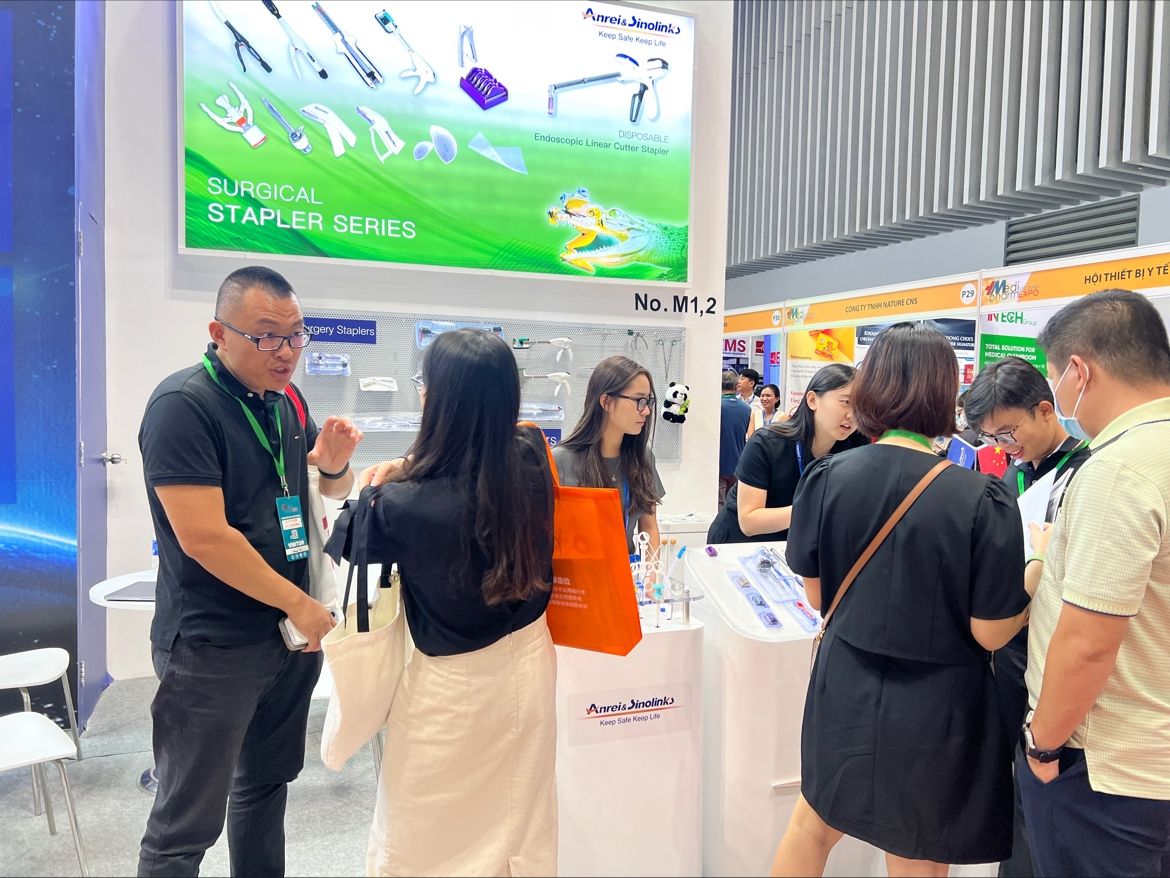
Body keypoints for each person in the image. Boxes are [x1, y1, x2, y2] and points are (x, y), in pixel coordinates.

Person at [772, 322, 1029, 877]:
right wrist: (1034, 576)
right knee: (918, 849)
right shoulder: (979, 496)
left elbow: (818, 595)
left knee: (813, 824)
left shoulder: (826, 476)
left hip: (844, 679)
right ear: (944, 393)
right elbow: (990, 631)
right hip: (938, 703)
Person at [137, 266, 361, 877]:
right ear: (219, 333)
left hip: (285, 639)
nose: (285, 351)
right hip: (213, 645)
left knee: (263, 788)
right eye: (266, 335)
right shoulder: (183, 406)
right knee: (184, 825)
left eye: (296, 335)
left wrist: (334, 465)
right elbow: (205, 538)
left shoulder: (287, 401)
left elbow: (317, 489)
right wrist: (299, 603)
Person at [336, 329, 558, 877]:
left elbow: (344, 544)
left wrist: (378, 473)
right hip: (531, 665)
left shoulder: (398, 504)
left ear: (437, 398)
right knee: (521, 825)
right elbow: (488, 449)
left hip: (450, 691)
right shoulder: (530, 460)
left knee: (422, 837)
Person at [1019, 290, 1170, 878]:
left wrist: (1043, 744)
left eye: (1055, 377)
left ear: (1079, 372)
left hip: (1108, 771)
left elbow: (1087, 642)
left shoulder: (1117, 471)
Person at [963, 356, 1091, 878]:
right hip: (1009, 649)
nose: (1002, 446)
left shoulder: (1088, 472)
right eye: (992, 437)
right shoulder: (1009, 474)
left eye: (1008, 432)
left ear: (1045, 410)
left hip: (1058, 651)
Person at [707, 364, 867, 544]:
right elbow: (749, 521)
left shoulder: (855, 448)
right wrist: (815, 511)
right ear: (812, 400)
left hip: (792, 544)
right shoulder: (767, 443)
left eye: (861, 405)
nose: (853, 415)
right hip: (738, 544)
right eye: (846, 402)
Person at [554, 355, 666, 569]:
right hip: (578, 580)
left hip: (628, 576)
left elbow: (649, 527)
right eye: (639, 400)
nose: (646, 411)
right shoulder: (560, 460)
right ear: (606, 401)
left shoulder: (643, 458)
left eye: (649, 401)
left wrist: (651, 574)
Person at [718, 370, 752, 510]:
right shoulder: (747, 408)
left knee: (719, 506)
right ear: (736, 385)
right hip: (738, 463)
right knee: (734, 506)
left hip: (719, 463)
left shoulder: (717, 407)